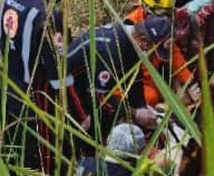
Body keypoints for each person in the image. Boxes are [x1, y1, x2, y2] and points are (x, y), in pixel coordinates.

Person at [0, 0, 63, 176]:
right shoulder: (47, 14)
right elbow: (57, 75)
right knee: (33, 160)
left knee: (10, 149)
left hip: (7, 88)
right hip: (31, 98)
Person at [65, 15, 173, 144]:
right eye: (150, 49)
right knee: (90, 126)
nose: (149, 53)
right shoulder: (111, 50)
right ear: (143, 40)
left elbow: (135, 80)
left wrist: (142, 107)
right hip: (69, 89)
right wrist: (134, 113)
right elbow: (99, 98)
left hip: (91, 87)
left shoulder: (132, 43)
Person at [124, 0, 196, 104]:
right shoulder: (131, 27)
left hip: (156, 73)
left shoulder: (163, 24)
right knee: (151, 97)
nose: (165, 19)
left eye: (168, 14)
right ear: (147, 8)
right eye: (161, 14)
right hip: (139, 80)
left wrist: (189, 82)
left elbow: (173, 53)